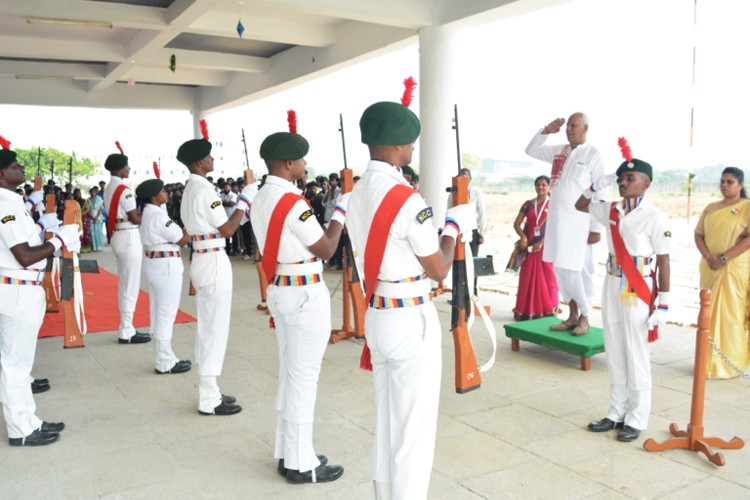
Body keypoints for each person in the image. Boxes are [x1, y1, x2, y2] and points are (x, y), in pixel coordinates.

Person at [347, 101, 474, 499]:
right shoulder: (405, 198)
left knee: (388, 426)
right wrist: (454, 224)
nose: (414, 149)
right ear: (398, 145)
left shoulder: (355, 193)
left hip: (379, 314)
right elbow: (437, 268)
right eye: (411, 143)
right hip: (407, 317)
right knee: (412, 434)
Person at [250, 131, 346, 485]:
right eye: (302, 160)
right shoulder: (293, 201)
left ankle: (289, 453)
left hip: (281, 289)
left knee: (291, 374)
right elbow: (325, 249)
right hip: (303, 293)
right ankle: (302, 464)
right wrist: (340, 214)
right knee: (304, 378)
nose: (306, 165)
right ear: (289, 164)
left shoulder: (262, 196)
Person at [575, 157, 670, 442]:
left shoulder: (655, 217)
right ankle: (615, 412)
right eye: (621, 179)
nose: (623, 182)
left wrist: (663, 303)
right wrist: (597, 184)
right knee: (615, 348)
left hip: (637, 287)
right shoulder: (612, 210)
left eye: (631, 179)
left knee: (635, 352)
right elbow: (580, 205)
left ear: (646, 184)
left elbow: (664, 262)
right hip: (613, 282)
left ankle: (636, 418)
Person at [0, 147, 79, 446]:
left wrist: (44, 228)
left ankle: (28, 419)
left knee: (19, 362)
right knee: (15, 364)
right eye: (15, 166)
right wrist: (59, 240)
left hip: (22, 288)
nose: (22, 169)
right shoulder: (4, 204)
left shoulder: (12, 201)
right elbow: (23, 255)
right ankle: (20, 429)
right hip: (17, 288)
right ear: (1, 174)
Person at [178, 137, 257, 416]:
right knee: (214, 326)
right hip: (211, 257)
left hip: (203, 255)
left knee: (209, 325)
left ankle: (209, 388)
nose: (213, 161)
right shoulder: (205, 190)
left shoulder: (191, 188)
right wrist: (244, 201)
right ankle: (208, 397)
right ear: (200, 162)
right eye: (209, 158)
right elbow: (227, 230)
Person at [525, 112, 606, 336]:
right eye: (567, 125)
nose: (568, 129)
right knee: (560, 269)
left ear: (585, 128)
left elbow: (600, 189)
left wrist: (596, 228)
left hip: (579, 223)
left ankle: (585, 316)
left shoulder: (593, 154)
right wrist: (546, 131)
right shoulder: (559, 150)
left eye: (573, 125)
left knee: (574, 271)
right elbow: (531, 150)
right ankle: (571, 316)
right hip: (557, 220)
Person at [694, 167, 750, 379]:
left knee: (730, 313)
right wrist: (709, 256)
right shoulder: (711, 208)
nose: (724, 185)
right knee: (707, 313)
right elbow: (699, 235)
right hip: (709, 266)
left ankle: (730, 363)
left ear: (740, 185)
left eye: (730, 182)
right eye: (722, 181)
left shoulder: (746, 207)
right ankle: (706, 363)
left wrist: (725, 257)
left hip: (734, 267)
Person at [136, 179, 192, 375]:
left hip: (155, 263)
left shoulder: (150, 213)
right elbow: (182, 239)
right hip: (165, 265)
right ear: (154, 197)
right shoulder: (158, 216)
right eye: (162, 191)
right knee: (166, 313)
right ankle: (164, 361)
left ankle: (165, 356)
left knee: (159, 311)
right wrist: (193, 223)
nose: (166, 194)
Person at [103, 153, 151, 345]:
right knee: (130, 285)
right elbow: (134, 217)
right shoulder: (124, 189)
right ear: (119, 168)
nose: (129, 168)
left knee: (125, 283)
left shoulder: (109, 187)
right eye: (127, 166)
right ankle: (127, 329)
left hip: (118, 234)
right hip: (129, 235)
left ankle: (126, 326)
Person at [512, 175, 558, 320]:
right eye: (538, 185)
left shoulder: (554, 205)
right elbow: (516, 224)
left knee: (548, 278)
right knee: (527, 278)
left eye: (544, 185)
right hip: (529, 247)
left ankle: (549, 308)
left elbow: (556, 227)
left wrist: (542, 241)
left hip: (546, 247)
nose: (540, 187)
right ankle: (525, 310)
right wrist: (524, 238)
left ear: (549, 187)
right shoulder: (528, 204)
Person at [87, 187, 104, 252]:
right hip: (90, 217)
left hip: (98, 217)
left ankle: (99, 246)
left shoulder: (99, 199)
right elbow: (87, 210)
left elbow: (100, 209)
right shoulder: (87, 200)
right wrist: (92, 217)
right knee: (91, 232)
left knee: (98, 232)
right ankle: (93, 247)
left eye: (94, 192)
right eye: (92, 192)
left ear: (96, 193)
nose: (93, 193)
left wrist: (96, 217)